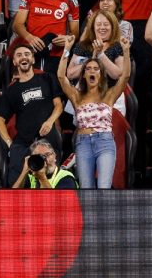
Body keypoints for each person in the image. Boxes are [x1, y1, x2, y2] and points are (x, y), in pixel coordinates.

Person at [57, 35, 131, 189]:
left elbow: (125, 76)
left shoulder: (109, 95)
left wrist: (126, 51)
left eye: (96, 69)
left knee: (104, 187)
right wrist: (66, 49)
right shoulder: (77, 96)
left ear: (101, 74)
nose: (92, 71)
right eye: (88, 68)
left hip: (105, 142)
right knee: (86, 188)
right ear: (84, 74)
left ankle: (104, 214)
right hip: (83, 142)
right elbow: (61, 77)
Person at [0, 41, 64, 187]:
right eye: (19, 55)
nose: (23, 57)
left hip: (47, 138)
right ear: (14, 61)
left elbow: (58, 106)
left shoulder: (47, 78)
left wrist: (50, 121)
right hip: (24, 142)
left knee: (48, 177)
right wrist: (9, 143)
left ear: (33, 59)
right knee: (17, 180)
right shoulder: (11, 91)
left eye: (27, 54)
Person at [12, 0, 79, 74]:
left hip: (57, 54)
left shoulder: (71, 1)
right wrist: (29, 37)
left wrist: (68, 38)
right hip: (32, 52)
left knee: (53, 90)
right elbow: (17, 25)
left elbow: (75, 32)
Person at [12, 139, 77, 189]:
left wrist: (42, 178)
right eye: (39, 157)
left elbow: (57, 204)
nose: (44, 160)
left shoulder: (66, 177)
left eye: (47, 155)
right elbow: (12, 197)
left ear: (55, 156)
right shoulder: (31, 177)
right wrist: (24, 171)